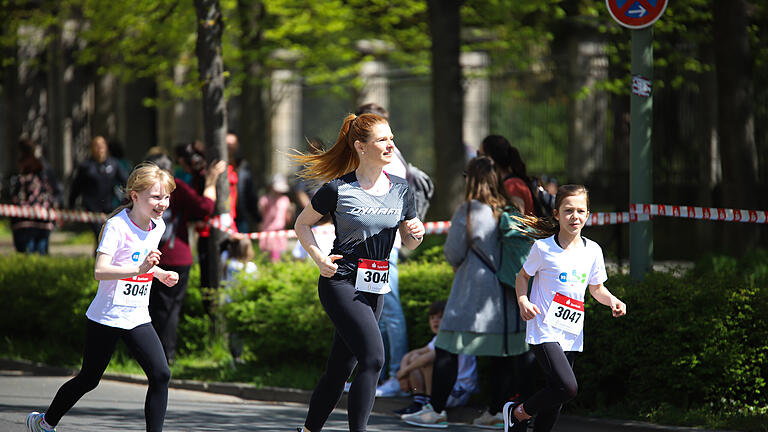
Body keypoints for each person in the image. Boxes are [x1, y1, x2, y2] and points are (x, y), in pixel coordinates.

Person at [291, 112, 425, 432]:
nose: (391, 144)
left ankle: (308, 430)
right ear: (361, 147)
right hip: (341, 282)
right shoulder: (338, 188)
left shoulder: (403, 189)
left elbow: (408, 242)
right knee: (374, 359)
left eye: (391, 138)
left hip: (375, 283)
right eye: (382, 139)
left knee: (340, 368)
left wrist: (415, 235)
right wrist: (319, 258)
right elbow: (302, 224)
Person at [25, 162, 179, 432]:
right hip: (107, 315)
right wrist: (141, 269)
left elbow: (143, 263)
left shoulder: (158, 226)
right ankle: (45, 422)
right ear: (135, 196)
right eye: (156, 197)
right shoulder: (116, 226)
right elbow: (100, 270)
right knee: (89, 379)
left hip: (136, 315)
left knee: (161, 374)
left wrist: (159, 273)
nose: (162, 203)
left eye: (166, 196)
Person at [402, 156, 529, 429]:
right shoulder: (509, 209)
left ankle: (435, 411)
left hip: (471, 294)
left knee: (448, 348)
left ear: (471, 179)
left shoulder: (468, 210)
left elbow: (453, 252)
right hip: (504, 298)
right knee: (501, 357)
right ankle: (496, 413)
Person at [504, 184, 627, 432]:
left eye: (581, 211)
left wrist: (612, 299)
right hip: (543, 329)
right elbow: (521, 278)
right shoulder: (543, 248)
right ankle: (517, 413)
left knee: (557, 396)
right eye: (568, 210)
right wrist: (523, 301)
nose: (575, 216)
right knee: (568, 387)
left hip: (570, 330)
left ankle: (525, 422)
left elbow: (596, 288)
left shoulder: (593, 251)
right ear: (556, 214)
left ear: (588, 215)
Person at [145, 152, 225, 364]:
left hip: (146, 256)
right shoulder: (175, 186)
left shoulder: (141, 190)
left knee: (148, 307)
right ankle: (165, 356)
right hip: (175, 255)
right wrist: (211, 181)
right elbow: (204, 208)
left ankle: (147, 355)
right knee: (170, 310)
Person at [355, 103, 410, 398]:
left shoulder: (391, 162)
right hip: (367, 249)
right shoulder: (367, 158)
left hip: (384, 250)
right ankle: (374, 374)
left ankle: (396, 377)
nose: (390, 143)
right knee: (371, 311)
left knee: (389, 312)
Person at [394, 300, 478, 417]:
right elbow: (411, 355)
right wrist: (402, 375)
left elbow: (428, 358)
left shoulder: (453, 338)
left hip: (459, 392)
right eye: (432, 317)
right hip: (449, 391)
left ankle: (430, 405)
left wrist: (403, 372)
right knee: (415, 357)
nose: (435, 321)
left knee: (426, 362)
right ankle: (419, 403)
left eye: (440, 317)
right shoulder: (438, 338)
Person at [69, 135, 130, 242]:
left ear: (106, 147)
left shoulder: (113, 164)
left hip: (110, 207)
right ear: (92, 148)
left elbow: (126, 181)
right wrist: (71, 204)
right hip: (92, 209)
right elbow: (76, 186)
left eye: (102, 146)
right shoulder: (86, 167)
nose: (99, 149)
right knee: (100, 234)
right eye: (96, 146)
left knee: (109, 234)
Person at [10, 139, 63, 254]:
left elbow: (16, 196)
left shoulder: (26, 170)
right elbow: (56, 191)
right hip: (41, 218)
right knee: (40, 253)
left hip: (28, 219)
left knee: (30, 255)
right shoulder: (44, 168)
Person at [480, 135, 554, 217]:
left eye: (480, 155)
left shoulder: (512, 185)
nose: (477, 161)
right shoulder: (510, 183)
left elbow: (515, 222)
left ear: (490, 159)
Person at [221, 237, 258, 363]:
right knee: (241, 331)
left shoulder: (226, 260)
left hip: (228, 300)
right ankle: (239, 356)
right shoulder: (251, 267)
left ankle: (233, 356)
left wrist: (232, 240)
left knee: (232, 331)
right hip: (243, 302)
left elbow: (225, 248)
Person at [226, 132, 261, 233]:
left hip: (240, 218)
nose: (230, 148)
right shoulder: (217, 167)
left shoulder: (243, 167)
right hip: (222, 218)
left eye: (232, 145)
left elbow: (250, 195)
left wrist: (257, 218)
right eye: (227, 145)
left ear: (237, 146)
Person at [257, 173, 293, 262]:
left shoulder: (285, 200)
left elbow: (288, 219)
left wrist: (290, 212)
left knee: (277, 257)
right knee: (266, 256)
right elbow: (261, 214)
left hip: (280, 232)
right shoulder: (265, 199)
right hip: (268, 231)